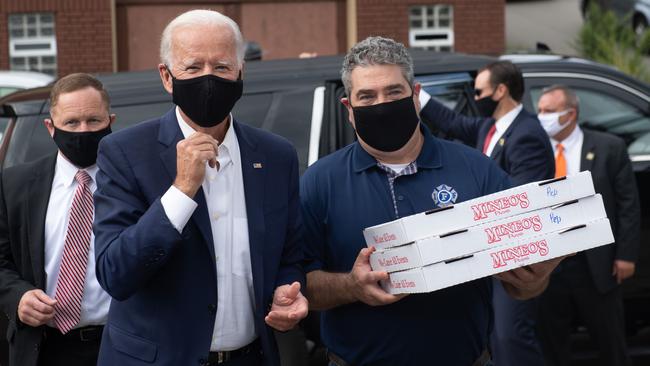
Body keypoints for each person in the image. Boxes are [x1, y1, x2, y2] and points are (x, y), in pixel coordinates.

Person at [301, 36, 565, 366]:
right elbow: (302, 287)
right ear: (349, 109)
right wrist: (351, 286)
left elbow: (521, 286)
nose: (382, 105)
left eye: (394, 92)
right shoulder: (319, 182)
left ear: (415, 96)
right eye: (367, 96)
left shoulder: (476, 169)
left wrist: (534, 279)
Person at [92, 9, 308, 366]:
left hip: (249, 356)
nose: (208, 79)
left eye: (221, 67)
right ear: (167, 76)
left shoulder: (275, 155)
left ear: (241, 72)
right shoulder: (125, 153)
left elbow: (290, 254)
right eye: (193, 68)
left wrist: (289, 289)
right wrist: (181, 190)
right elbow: (116, 273)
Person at [418, 60, 554, 366]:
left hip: (515, 254)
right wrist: (418, 96)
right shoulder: (489, 127)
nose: (476, 98)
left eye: (480, 92)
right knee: (496, 337)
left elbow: (520, 199)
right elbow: (452, 122)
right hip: (490, 250)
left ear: (501, 90)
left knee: (511, 337)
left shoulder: (526, 135)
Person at [0, 73, 114, 366]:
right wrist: (18, 297)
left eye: (94, 121)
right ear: (50, 127)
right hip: (44, 347)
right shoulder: (15, 185)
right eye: (72, 123)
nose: (83, 131)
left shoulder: (132, 182)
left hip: (118, 344)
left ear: (110, 121)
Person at [536, 84, 640, 366]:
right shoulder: (534, 148)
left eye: (549, 111)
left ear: (571, 114)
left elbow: (628, 204)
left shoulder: (609, 147)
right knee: (553, 344)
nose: (541, 116)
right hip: (551, 263)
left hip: (595, 261)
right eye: (540, 110)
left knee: (609, 341)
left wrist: (626, 255)